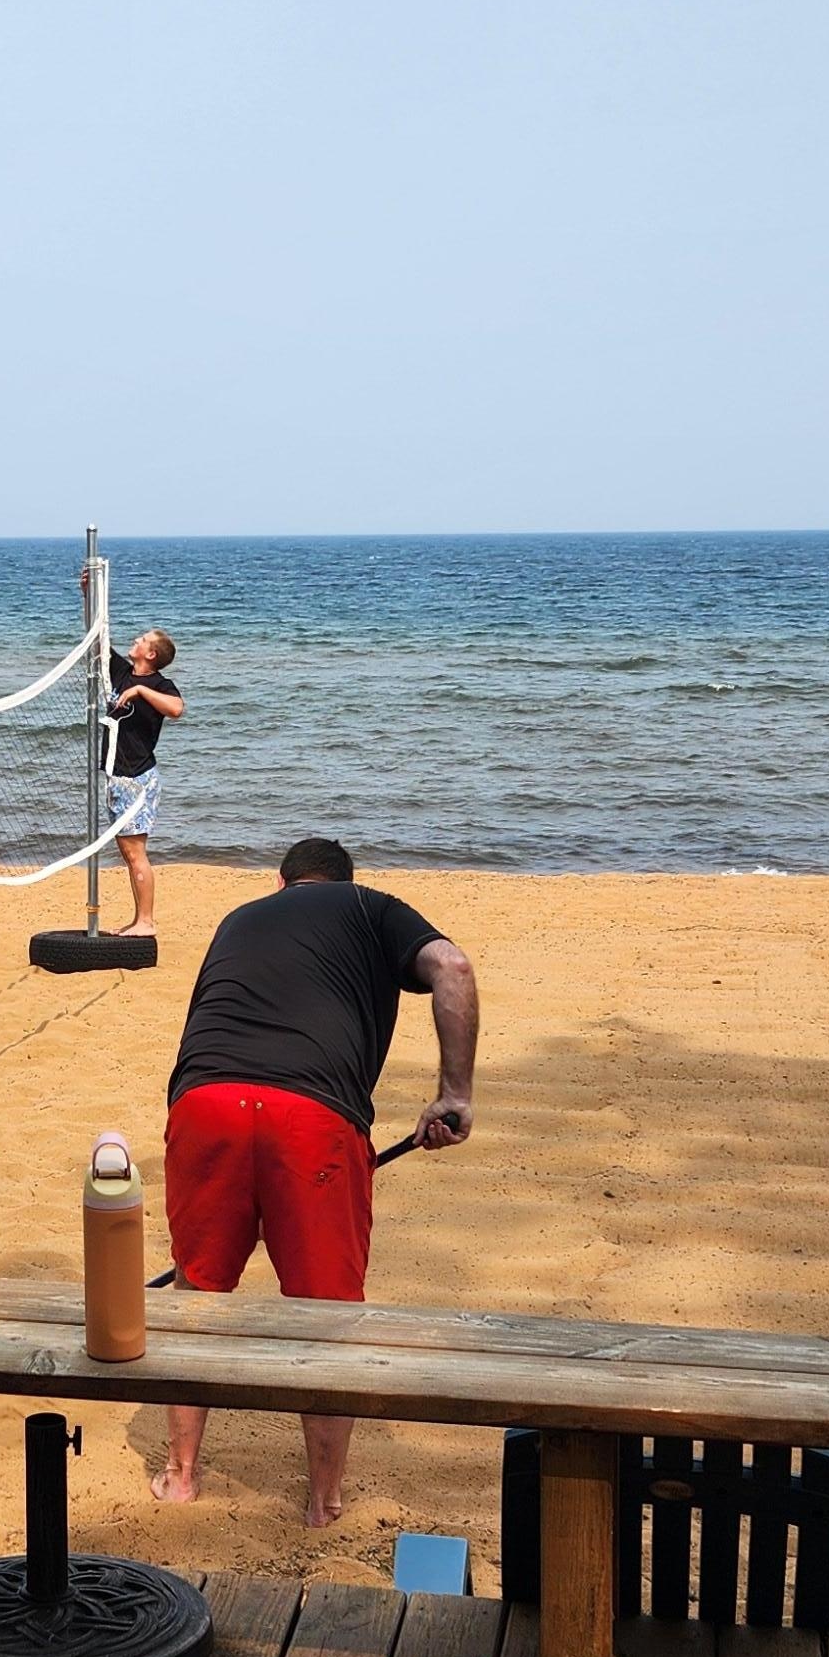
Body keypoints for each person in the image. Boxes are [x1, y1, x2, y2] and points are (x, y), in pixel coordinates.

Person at [156, 834, 477, 1526]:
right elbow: (452, 966)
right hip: (311, 1117)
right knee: (327, 1316)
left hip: (205, 1103)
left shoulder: (239, 917)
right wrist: (454, 1093)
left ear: (282, 884)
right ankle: (324, 1502)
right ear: (343, 882)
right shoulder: (369, 907)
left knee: (198, 1294)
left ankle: (181, 1477)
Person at [105, 629, 182, 934]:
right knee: (129, 854)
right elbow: (96, 640)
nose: (136, 639)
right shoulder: (122, 672)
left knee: (136, 854)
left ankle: (146, 922)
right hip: (117, 776)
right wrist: (90, 603)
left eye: (143, 640)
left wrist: (140, 691)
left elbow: (176, 709)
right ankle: (139, 920)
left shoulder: (160, 685)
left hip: (138, 778)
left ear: (151, 655)